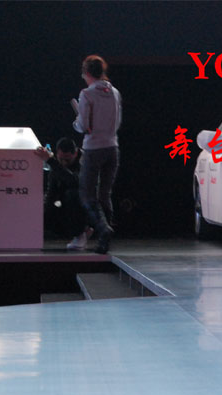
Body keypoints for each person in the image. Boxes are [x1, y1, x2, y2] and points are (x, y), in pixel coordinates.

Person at [73, 54, 121, 254]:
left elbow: (84, 125)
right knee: (104, 194)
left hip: (93, 149)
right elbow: (118, 121)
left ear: (86, 73)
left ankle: (103, 229)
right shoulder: (114, 92)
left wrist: (76, 123)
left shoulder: (87, 94)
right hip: (112, 147)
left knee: (87, 195)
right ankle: (105, 242)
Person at [34, 138, 91, 250]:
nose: (64, 162)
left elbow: (75, 182)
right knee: (46, 207)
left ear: (75, 153)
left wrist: (51, 161)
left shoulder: (86, 161)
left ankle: (81, 233)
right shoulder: (56, 167)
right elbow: (51, 193)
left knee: (73, 194)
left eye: (67, 160)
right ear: (57, 154)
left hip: (87, 204)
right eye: (61, 159)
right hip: (64, 204)